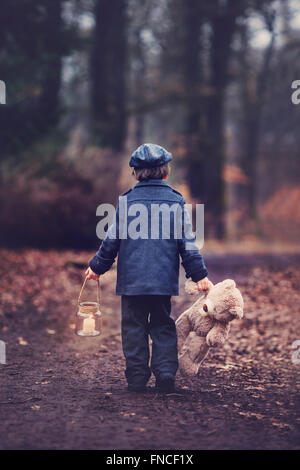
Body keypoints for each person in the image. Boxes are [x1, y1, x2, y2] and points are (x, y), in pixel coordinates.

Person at [85, 143, 210, 393]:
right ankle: (165, 374)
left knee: (134, 328)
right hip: (162, 282)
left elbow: (112, 240)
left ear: (135, 173)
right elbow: (187, 244)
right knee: (163, 325)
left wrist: (97, 267)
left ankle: (137, 378)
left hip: (132, 283)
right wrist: (200, 276)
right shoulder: (176, 202)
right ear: (166, 172)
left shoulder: (127, 201)